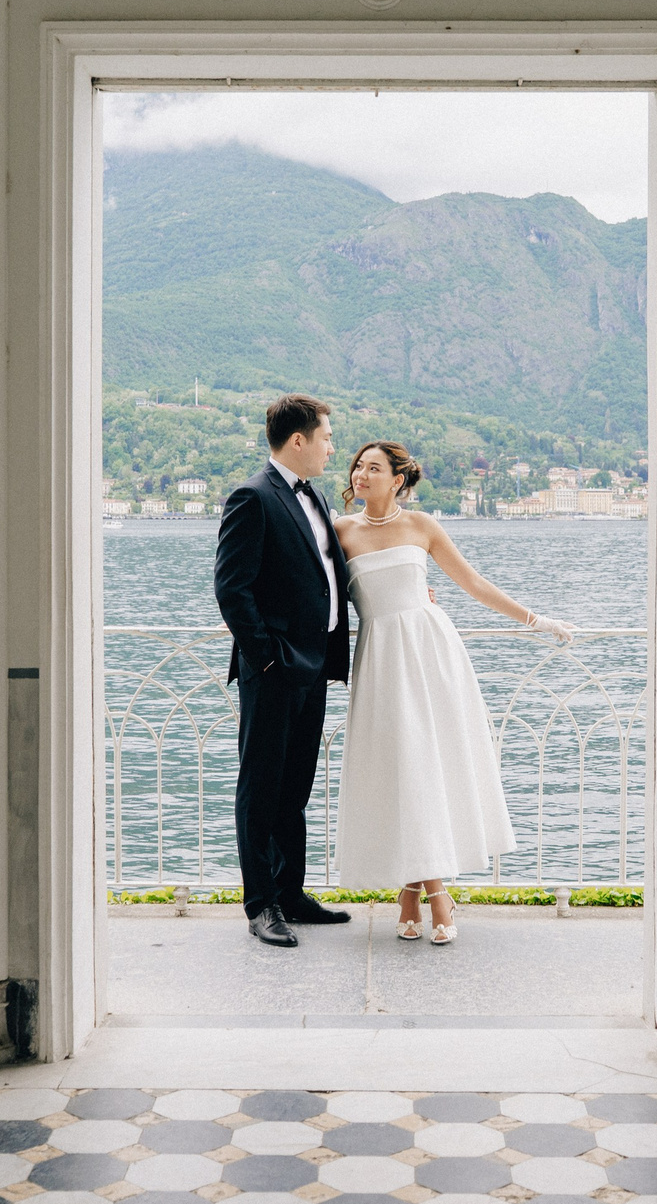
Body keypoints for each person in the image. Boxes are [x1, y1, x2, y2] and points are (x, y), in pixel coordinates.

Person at [331, 440, 574, 945]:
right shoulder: (341, 531)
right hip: (380, 661)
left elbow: (473, 583)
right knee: (401, 770)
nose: (361, 474)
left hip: (431, 655)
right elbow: (320, 595)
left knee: (426, 768)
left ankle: (419, 891)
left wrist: (537, 620)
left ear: (397, 479)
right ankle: (426, 892)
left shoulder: (422, 526)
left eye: (373, 468)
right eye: (358, 466)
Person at [213, 394, 357, 948]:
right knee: (261, 786)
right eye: (326, 437)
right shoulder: (252, 497)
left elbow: (325, 574)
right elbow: (232, 588)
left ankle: (291, 893)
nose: (331, 447)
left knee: (294, 786)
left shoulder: (314, 495)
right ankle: (261, 904)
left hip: (313, 666)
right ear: (298, 440)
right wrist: (267, 657)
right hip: (274, 668)